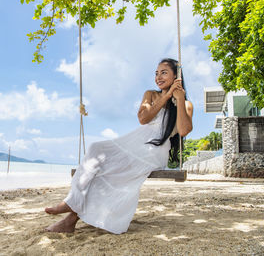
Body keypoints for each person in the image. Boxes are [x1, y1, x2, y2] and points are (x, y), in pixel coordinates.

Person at [44, 58, 193, 234]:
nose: (158, 77)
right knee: (96, 149)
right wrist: (166, 96)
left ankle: (70, 220)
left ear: (176, 75)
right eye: (156, 73)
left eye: (164, 72)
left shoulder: (185, 104)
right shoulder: (151, 95)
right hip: (135, 142)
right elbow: (143, 119)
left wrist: (179, 97)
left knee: (109, 171)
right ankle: (73, 201)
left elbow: (184, 131)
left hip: (154, 150)